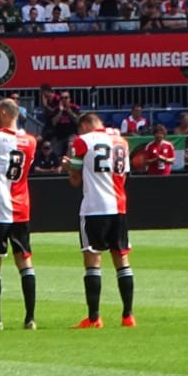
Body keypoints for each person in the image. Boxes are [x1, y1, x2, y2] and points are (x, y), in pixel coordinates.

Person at [68, 112, 136, 328]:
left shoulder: (82, 141)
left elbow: (75, 179)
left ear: (86, 125)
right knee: (122, 260)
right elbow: (123, 175)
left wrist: (68, 165)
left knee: (93, 262)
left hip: (94, 207)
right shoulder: (121, 142)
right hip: (118, 205)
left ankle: (94, 317)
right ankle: (128, 315)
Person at [0, 98, 39, 330]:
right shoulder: (30, 141)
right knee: (25, 261)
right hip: (21, 208)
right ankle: (30, 318)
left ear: (4, 112)